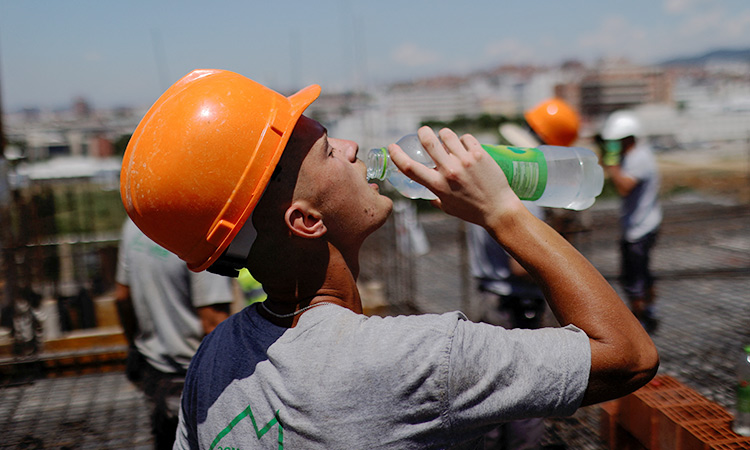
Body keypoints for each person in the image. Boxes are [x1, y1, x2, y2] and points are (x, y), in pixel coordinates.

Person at [120, 69, 658, 449]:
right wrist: (504, 213)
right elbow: (629, 357)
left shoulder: (213, 363)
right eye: (329, 149)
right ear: (306, 220)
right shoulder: (415, 359)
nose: (354, 148)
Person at [467, 98, 579, 449]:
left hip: (490, 296)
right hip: (513, 304)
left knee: (489, 393)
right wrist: (565, 266)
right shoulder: (524, 187)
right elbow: (521, 265)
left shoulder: (495, 173)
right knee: (527, 396)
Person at [115, 217, 234, 449]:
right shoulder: (203, 234)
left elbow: (121, 297)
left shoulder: (137, 224)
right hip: (192, 380)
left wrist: (133, 345)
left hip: (153, 371)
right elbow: (213, 323)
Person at [600, 110, 662, 334]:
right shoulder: (636, 154)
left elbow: (624, 187)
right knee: (642, 274)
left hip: (640, 228)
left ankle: (642, 321)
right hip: (640, 225)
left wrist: (612, 165)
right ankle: (649, 312)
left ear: (628, 138)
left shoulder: (639, 158)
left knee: (635, 278)